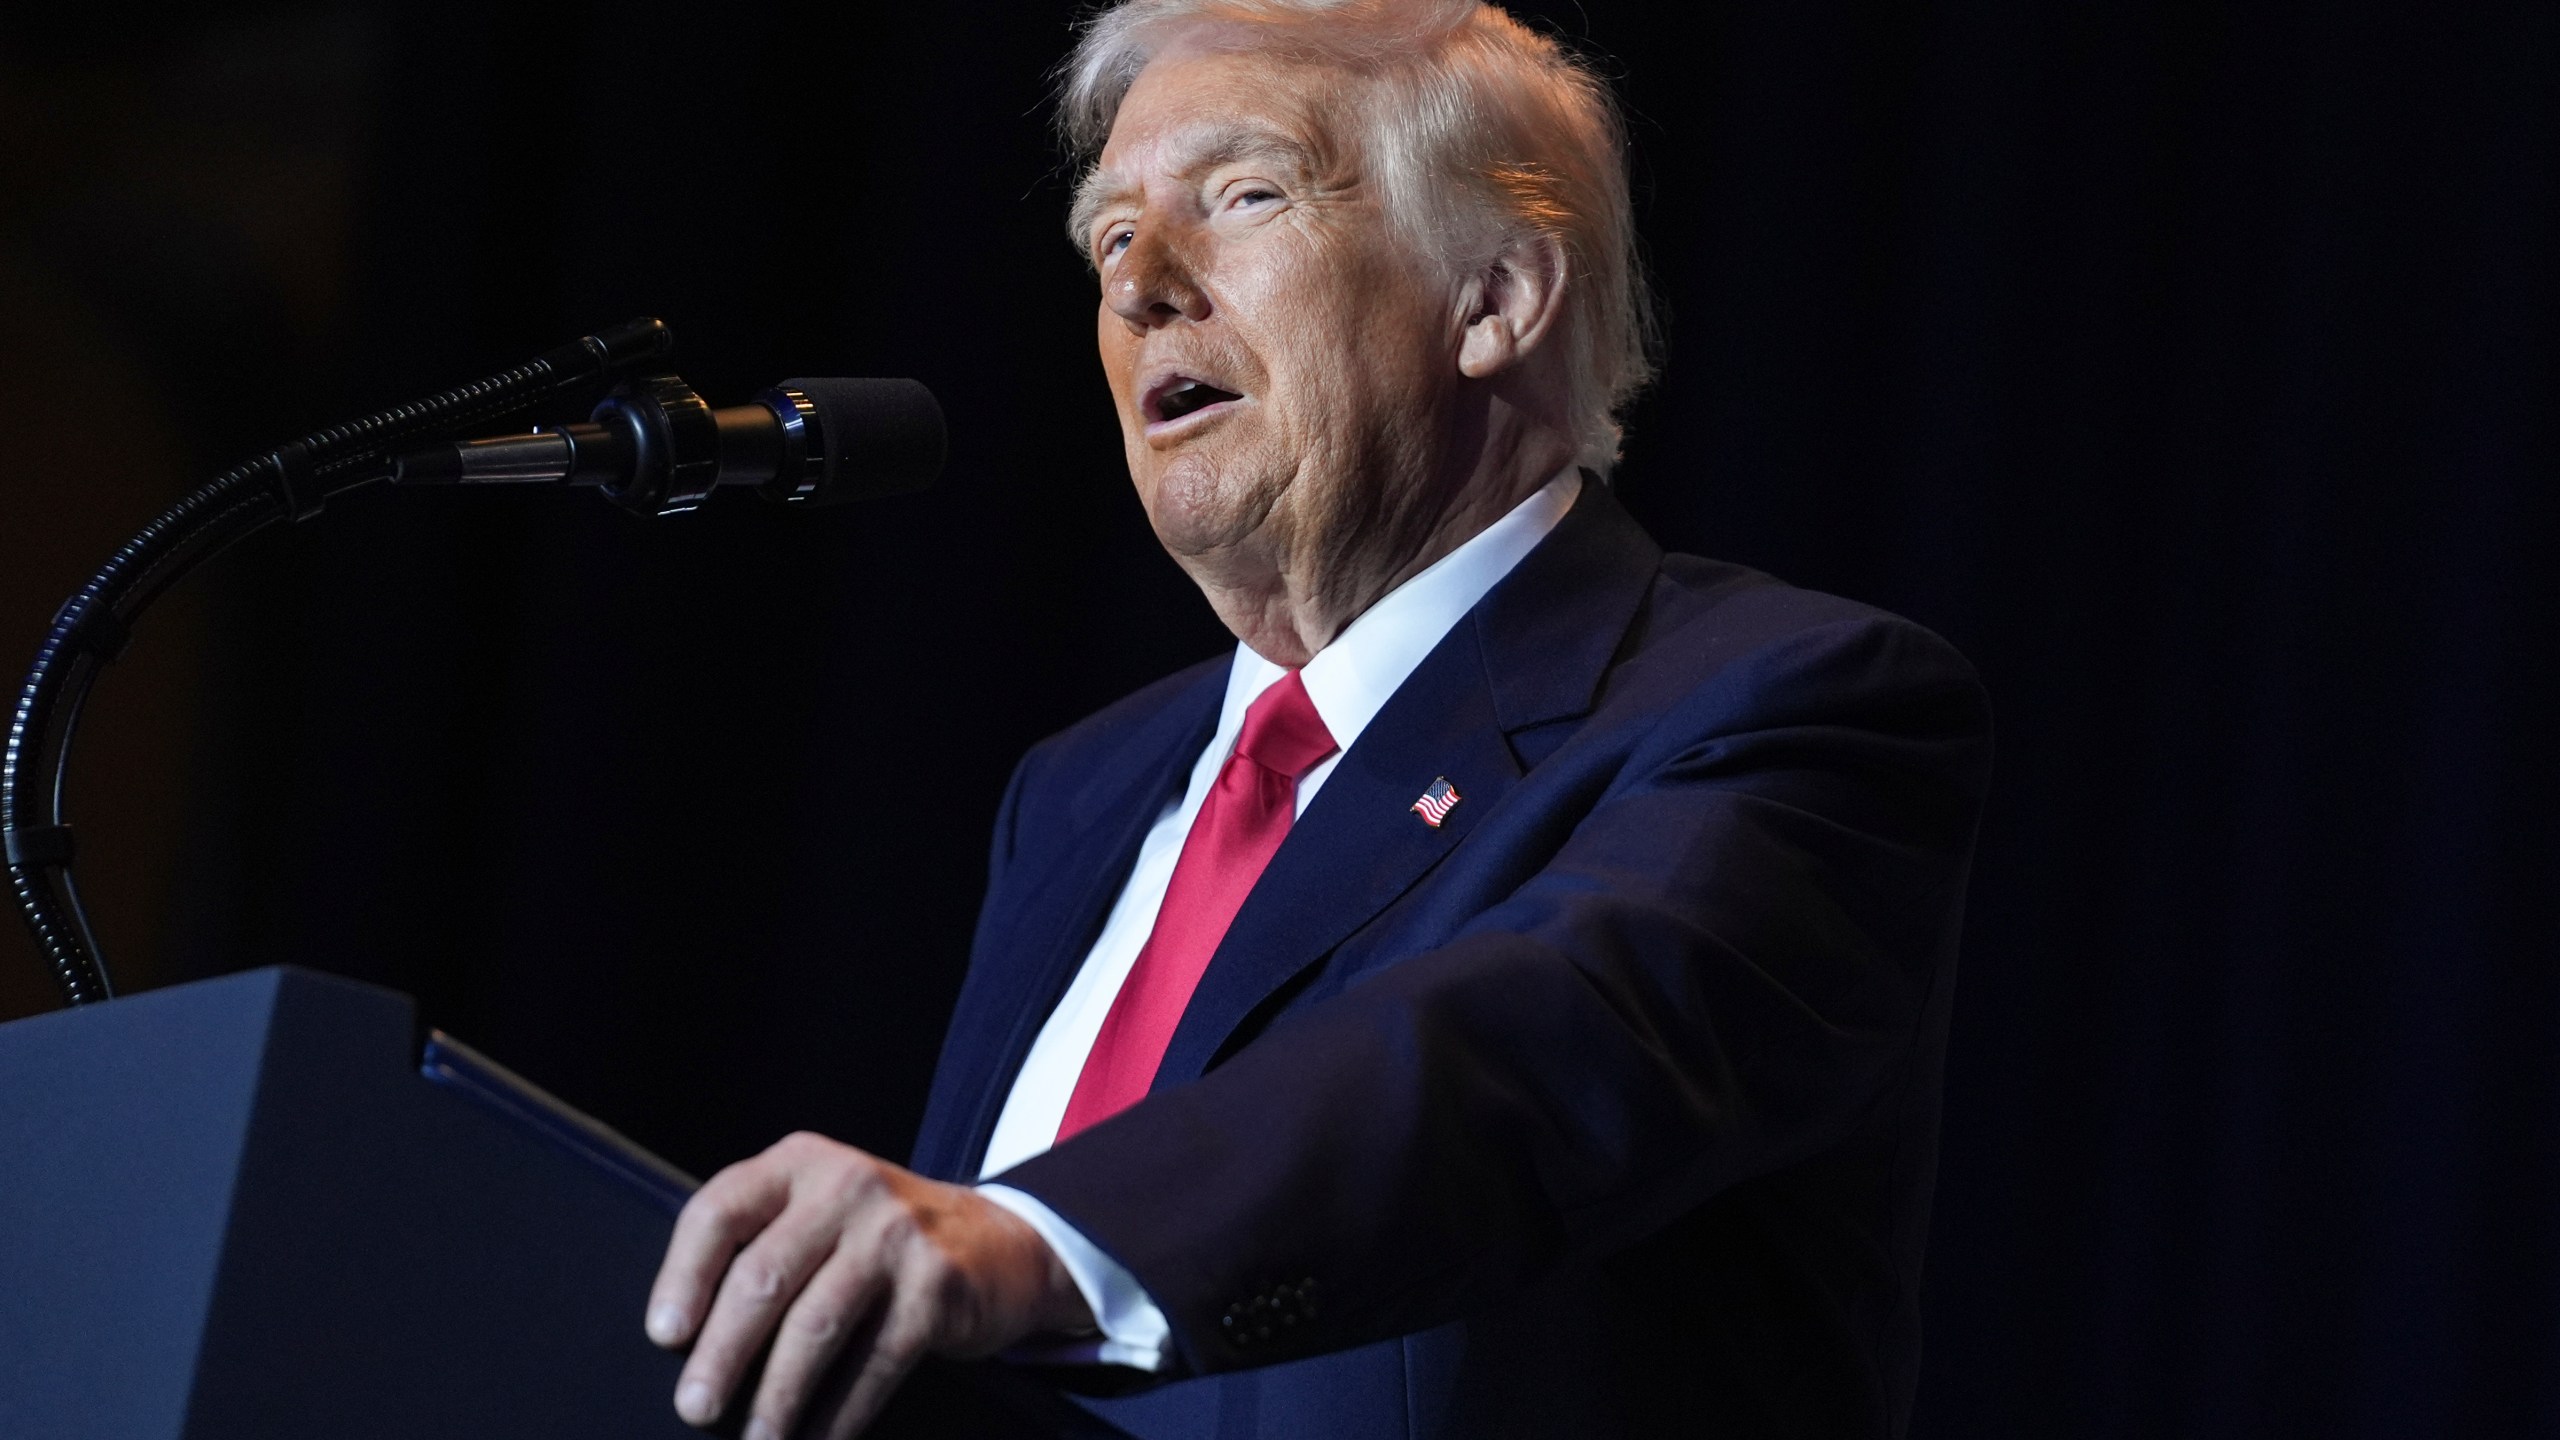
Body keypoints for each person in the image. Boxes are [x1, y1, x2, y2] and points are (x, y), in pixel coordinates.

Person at [644, 2, 1992, 1436]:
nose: (1142, 287)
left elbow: (1519, 1051)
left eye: (1244, 195)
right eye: (1110, 239)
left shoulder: (1788, 706)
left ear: (1495, 299)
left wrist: (1036, 1238)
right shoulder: (1080, 793)